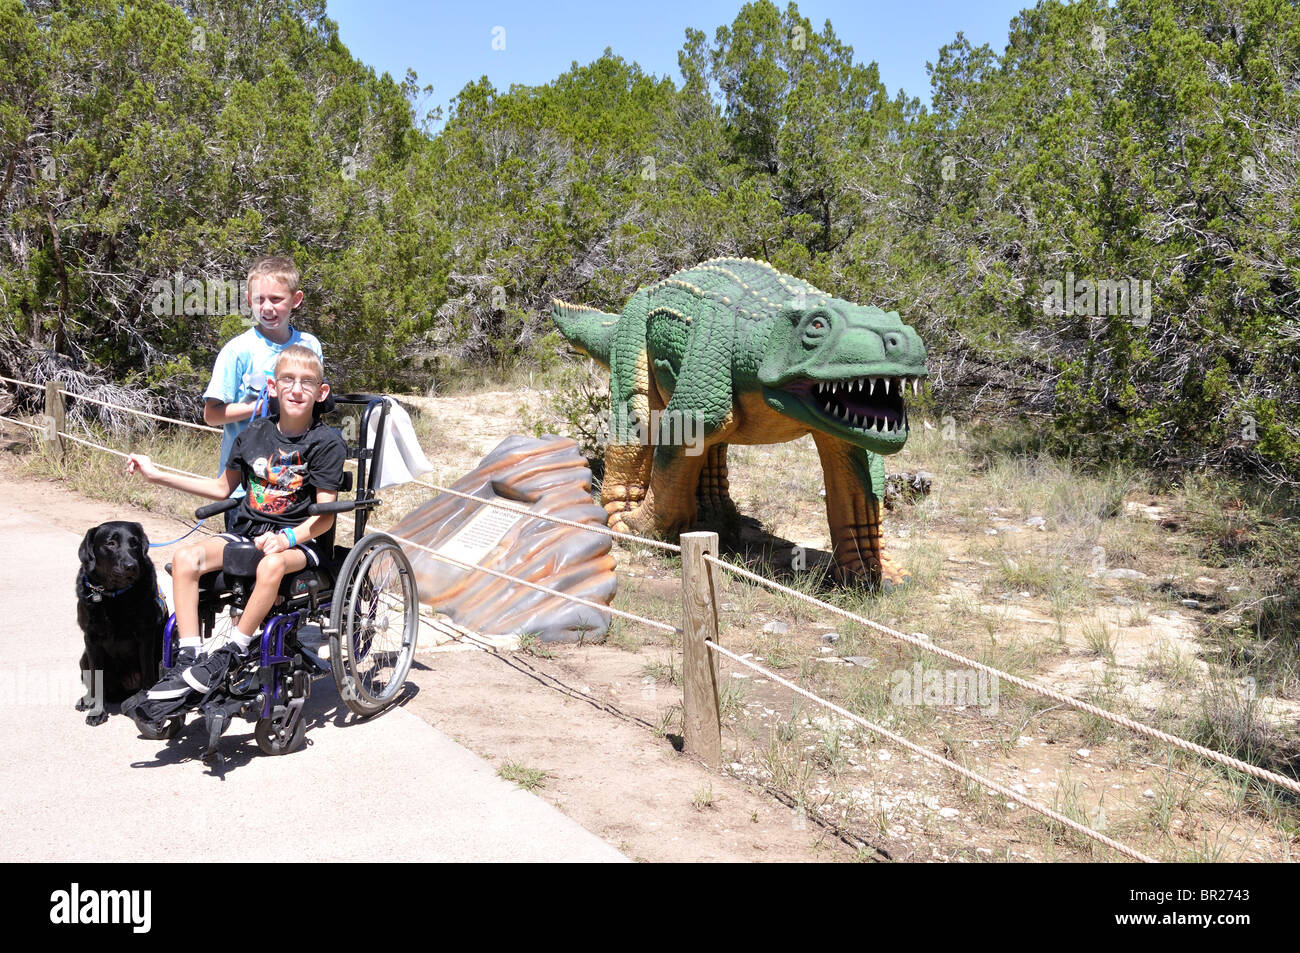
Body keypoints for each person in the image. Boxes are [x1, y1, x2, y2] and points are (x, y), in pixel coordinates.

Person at [123, 345, 346, 731]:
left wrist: (288, 537)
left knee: (273, 563)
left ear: (321, 393)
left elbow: (324, 519)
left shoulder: (326, 442)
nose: (297, 389)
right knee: (185, 559)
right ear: (273, 387)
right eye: (288, 380)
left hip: (301, 543)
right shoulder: (254, 433)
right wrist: (155, 475)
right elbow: (220, 488)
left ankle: (233, 651)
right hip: (246, 533)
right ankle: (190, 659)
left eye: (307, 382)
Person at [203, 255, 323, 525]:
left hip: (294, 484)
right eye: (260, 300)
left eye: (277, 299)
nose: (267, 308)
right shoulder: (237, 350)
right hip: (246, 488)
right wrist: (261, 407)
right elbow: (212, 415)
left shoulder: (310, 346)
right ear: (249, 300)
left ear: (296, 299)